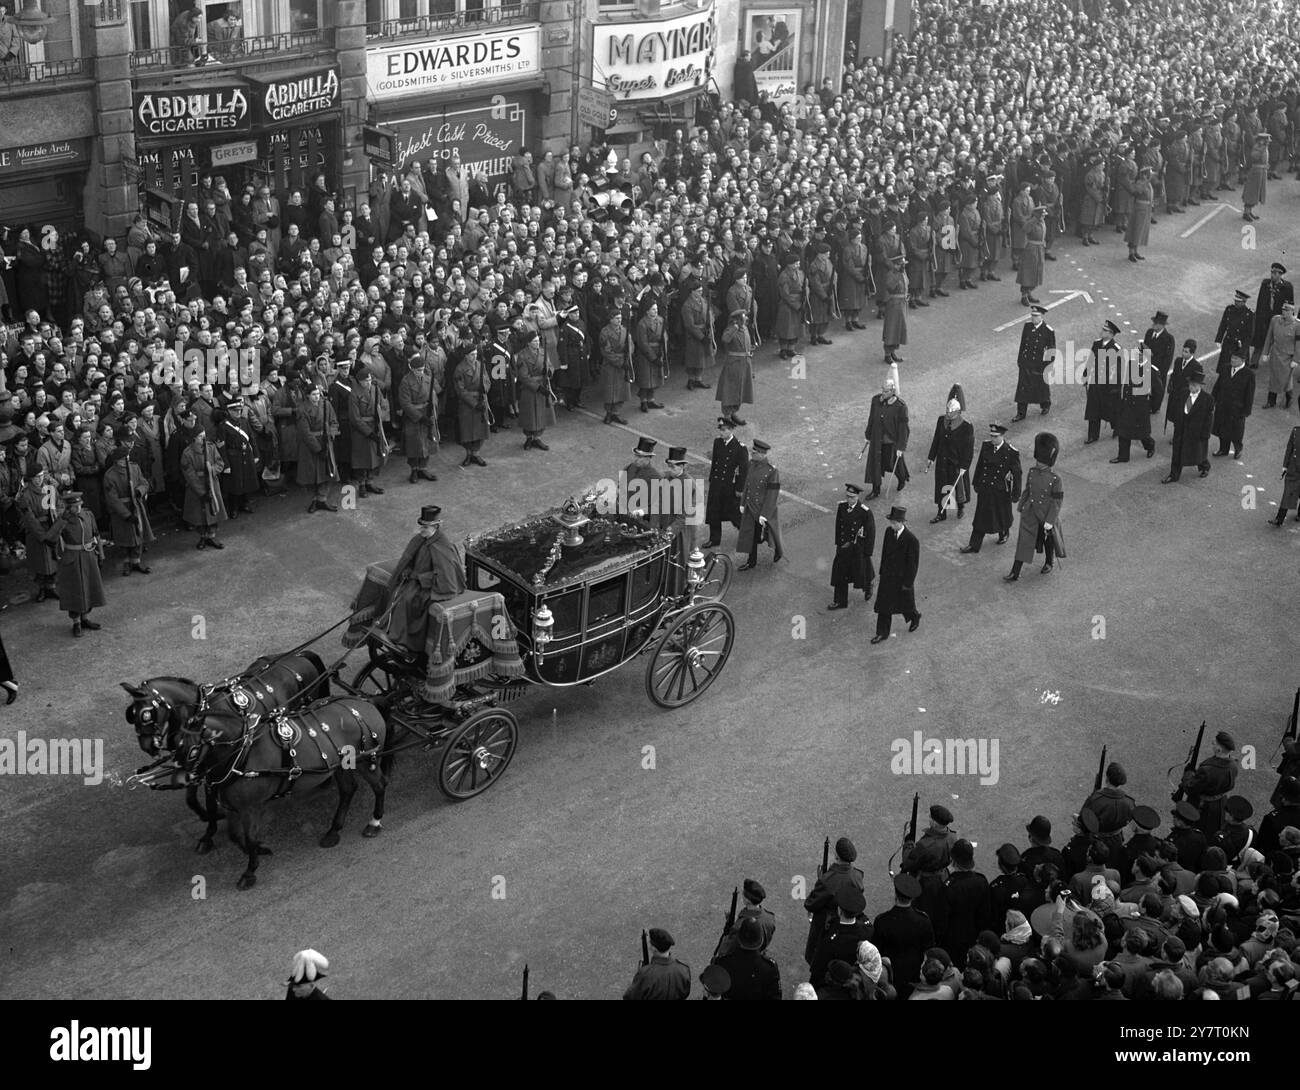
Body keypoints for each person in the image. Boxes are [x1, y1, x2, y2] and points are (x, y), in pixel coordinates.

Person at [377, 505, 466, 660]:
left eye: (425, 527)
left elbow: (447, 577)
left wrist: (421, 578)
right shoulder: (421, 539)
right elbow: (410, 559)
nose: (421, 530)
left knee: (408, 599)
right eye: (421, 526)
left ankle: (407, 642)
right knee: (396, 591)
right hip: (414, 580)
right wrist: (407, 570)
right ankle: (390, 627)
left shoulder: (443, 546)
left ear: (435, 527)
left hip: (433, 586)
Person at [1006, 432, 1063, 581]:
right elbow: (1028, 490)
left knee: (1047, 540)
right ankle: (1015, 571)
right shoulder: (1032, 472)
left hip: (1046, 514)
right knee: (1024, 541)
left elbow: (1057, 502)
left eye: (1041, 461)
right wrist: (1021, 505)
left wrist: (1050, 521)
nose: (1038, 463)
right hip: (1031, 512)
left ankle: (1049, 561)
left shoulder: (1056, 479)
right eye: (1038, 460)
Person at [802, 836, 865, 965]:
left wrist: (820, 880)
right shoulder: (857, 875)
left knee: (818, 958)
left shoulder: (828, 880)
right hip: (849, 922)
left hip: (828, 924)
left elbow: (811, 903)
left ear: (837, 856)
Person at [960, 422, 1021, 553]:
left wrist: (1016, 494)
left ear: (1002, 436)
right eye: (991, 436)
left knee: (1001, 516)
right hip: (985, 488)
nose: (992, 439)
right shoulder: (986, 446)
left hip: (1000, 491)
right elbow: (980, 465)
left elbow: (1017, 474)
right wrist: (976, 482)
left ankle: (1003, 532)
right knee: (980, 517)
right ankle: (974, 544)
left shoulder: (1010, 452)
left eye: (995, 436)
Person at [872, 873, 934, 1000]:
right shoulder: (923, 920)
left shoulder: (883, 920)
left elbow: (876, 950)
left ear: (896, 893)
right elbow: (929, 948)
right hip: (914, 971)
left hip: (890, 973)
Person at [54, 492, 105, 638]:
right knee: (75, 591)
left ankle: (85, 619)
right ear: (68, 508)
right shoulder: (63, 520)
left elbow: (97, 534)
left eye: (79, 505)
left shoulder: (88, 515)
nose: (78, 509)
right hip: (72, 559)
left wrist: (101, 555)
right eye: (74, 507)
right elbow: (51, 537)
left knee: (89, 588)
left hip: (88, 556)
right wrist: (62, 521)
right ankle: (76, 622)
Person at [102, 434, 153, 577]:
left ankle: (136, 561)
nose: (126, 460)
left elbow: (144, 483)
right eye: (123, 459)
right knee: (124, 538)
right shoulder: (110, 476)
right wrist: (126, 514)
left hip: (136, 505)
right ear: (117, 461)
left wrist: (139, 492)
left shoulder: (134, 468)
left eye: (127, 458)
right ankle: (126, 563)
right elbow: (112, 499)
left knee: (138, 534)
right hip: (122, 510)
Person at [871, 505, 921, 643]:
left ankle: (915, 617)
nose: (892, 525)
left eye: (895, 523)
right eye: (891, 522)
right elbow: (885, 555)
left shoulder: (911, 540)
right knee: (884, 606)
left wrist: (908, 583)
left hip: (902, 580)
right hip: (888, 577)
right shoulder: (888, 532)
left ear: (902, 522)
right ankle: (882, 633)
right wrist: (881, 572)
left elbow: (913, 565)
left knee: (905, 604)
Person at [1180, 731, 1239, 836]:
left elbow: (1190, 788)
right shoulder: (1233, 765)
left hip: (1202, 806)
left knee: (1193, 829)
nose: (1212, 743)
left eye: (1215, 743)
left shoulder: (1207, 770)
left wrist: (1188, 773)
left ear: (1219, 749)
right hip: (1219, 803)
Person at [926, 392, 973, 522]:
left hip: (957, 463)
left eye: (951, 412)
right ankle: (942, 513)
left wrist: (964, 466)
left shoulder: (966, 426)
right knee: (943, 487)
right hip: (943, 461)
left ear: (958, 412)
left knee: (958, 488)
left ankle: (960, 507)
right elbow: (936, 439)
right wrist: (931, 456)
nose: (948, 414)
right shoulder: (941, 420)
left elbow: (968, 449)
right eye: (947, 411)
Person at [827, 482, 874, 611]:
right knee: (840, 573)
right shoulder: (842, 507)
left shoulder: (865, 512)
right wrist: (838, 543)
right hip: (843, 547)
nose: (849, 499)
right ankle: (840, 601)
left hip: (857, 548)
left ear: (857, 497)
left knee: (861, 571)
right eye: (848, 496)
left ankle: (868, 586)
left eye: (852, 497)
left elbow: (870, 533)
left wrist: (868, 552)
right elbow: (839, 526)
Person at [737, 438, 782, 569]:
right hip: (751, 507)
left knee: (771, 533)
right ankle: (751, 562)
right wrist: (742, 502)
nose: (752, 454)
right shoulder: (752, 464)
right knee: (751, 535)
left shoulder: (772, 470)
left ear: (762, 454)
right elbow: (747, 484)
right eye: (752, 451)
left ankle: (778, 550)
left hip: (764, 508)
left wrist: (765, 514)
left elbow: (772, 495)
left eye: (755, 452)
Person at [1112, 350, 1164, 462]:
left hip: (1140, 407)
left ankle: (1150, 445)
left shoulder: (1152, 371)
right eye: (1138, 354)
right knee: (1123, 430)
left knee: (1142, 433)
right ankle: (1123, 456)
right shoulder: (1131, 364)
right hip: (1127, 403)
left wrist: (1152, 407)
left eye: (1141, 355)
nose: (1138, 357)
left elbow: (1158, 392)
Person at [702, 417, 747, 549]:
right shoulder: (718, 442)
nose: (721, 433)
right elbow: (715, 463)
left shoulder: (740, 448)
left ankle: (748, 535)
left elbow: (742, 471)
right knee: (713, 512)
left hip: (729, 486)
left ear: (731, 430)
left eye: (724, 430)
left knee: (734, 514)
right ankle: (714, 539)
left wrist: (739, 488)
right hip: (717, 484)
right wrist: (711, 479)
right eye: (720, 430)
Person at [181, 425, 228, 549]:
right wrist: (201, 492)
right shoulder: (187, 453)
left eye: (204, 436)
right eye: (200, 437)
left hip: (212, 484)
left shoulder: (211, 448)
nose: (203, 439)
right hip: (196, 488)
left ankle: (211, 536)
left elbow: (220, 463)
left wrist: (212, 470)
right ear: (194, 438)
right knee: (199, 515)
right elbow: (189, 475)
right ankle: (202, 537)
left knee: (213, 512)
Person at [862, 376, 909, 499]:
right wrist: (868, 435)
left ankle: (902, 478)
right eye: (882, 390)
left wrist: (901, 446)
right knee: (875, 465)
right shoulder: (876, 401)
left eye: (886, 391)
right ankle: (875, 490)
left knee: (892, 464)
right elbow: (871, 418)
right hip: (877, 439)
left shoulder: (900, 406)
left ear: (893, 391)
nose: (883, 393)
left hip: (891, 441)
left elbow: (903, 428)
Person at [712, 918, 780, 1000]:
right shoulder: (770, 968)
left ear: (739, 940)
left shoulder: (722, 963)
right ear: (760, 942)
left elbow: (712, 994)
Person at [296, 384, 340, 510]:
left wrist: (330, 436)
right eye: (313, 394)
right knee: (312, 473)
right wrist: (318, 448)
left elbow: (334, 422)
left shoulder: (326, 405)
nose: (317, 397)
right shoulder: (302, 409)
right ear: (308, 396)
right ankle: (314, 500)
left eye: (318, 394)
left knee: (326, 471)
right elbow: (305, 432)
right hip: (310, 445)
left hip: (326, 441)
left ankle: (322, 498)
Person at [398, 351, 439, 484]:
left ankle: (423, 468)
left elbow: (434, 394)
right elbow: (405, 403)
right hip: (414, 416)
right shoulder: (405, 381)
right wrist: (420, 417)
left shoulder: (428, 379)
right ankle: (414, 470)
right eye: (418, 370)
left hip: (427, 412)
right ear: (412, 368)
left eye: (422, 370)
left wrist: (433, 410)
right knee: (414, 444)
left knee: (427, 442)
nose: (421, 372)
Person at [715, 879, 777, 958]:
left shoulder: (739, 926)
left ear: (747, 900)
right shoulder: (770, 918)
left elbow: (724, 951)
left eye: (744, 894)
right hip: (759, 957)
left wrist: (728, 931)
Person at [623, 928, 690, 1000]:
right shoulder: (684, 969)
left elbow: (629, 997)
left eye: (650, 943)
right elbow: (685, 993)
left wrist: (639, 977)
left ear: (653, 948)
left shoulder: (645, 974)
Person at [1211, 350, 1255, 460]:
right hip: (1223, 405)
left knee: (1236, 432)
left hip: (1237, 409)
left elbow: (1249, 394)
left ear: (1243, 360)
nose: (1232, 360)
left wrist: (1246, 411)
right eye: (1232, 357)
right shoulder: (1225, 368)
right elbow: (1217, 386)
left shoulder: (1249, 374)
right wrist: (1212, 400)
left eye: (1235, 358)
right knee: (1222, 428)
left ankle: (1238, 449)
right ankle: (1223, 449)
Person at [1013, 304, 1055, 420]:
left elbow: (1051, 351)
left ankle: (1045, 404)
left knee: (1041, 386)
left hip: (1039, 365)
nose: (1033, 318)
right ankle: (1021, 413)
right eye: (1032, 315)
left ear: (1041, 316)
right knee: (1022, 388)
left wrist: (1045, 366)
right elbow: (1023, 344)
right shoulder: (1027, 326)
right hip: (1026, 363)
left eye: (1036, 316)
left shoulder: (1047, 330)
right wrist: (1020, 360)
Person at [1084, 320, 1122, 443]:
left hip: (1108, 386)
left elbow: (1118, 370)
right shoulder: (1096, 344)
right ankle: (1093, 435)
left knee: (1110, 410)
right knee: (1093, 409)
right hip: (1095, 383)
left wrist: (1115, 387)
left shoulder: (1116, 349)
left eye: (1105, 330)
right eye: (1103, 329)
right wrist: (1085, 375)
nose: (1102, 331)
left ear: (1111, 334)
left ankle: (1117, 427)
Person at [1251, 262, 1294, 370]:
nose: (1272, 275)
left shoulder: (1287, 287)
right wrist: (1258, 316)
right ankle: (1254, 362)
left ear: (1280, 274)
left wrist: (1287, 318)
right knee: (1260, 340)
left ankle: (1276, 362)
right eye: (1272, 272)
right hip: (1264, 318)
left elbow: (1289, 304)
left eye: (1275, 273)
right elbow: (1260, 301)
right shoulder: (1265, 284)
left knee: (1277, 341)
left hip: (1278, 318)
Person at [716, 308, 755, 427]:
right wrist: (734, 328)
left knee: (740, 391)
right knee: (730, 391)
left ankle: (733, 413)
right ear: (738, 319)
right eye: (744, 317)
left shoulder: (745, 329)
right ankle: (727, 416)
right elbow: (725, 339)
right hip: (734, 364)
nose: (747, 318)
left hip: (744, 363)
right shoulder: (732, 329)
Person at [1260, 300, 1298, 409]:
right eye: (1283, 309)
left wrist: (1296, 360)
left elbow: (1299, 345)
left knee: (1286, 380)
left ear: (1292, 311)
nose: (1283, 311)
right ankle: (1271, 401)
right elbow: (1269, 337)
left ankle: (1288, 398)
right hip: (1276, 354)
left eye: (1286, 310)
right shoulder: (1275, 320)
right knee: (1273, 378)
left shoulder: (1297, 325)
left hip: (1288, 358)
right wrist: (1265, 353)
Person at [631, 300, 666, 414]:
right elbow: (643, 343)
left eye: (656, 309)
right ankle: (643, 401)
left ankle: (651, 399)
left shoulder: (660, 320)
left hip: (658, 351)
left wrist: (663, 348)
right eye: (653, 309)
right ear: (647, 311)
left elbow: (664, 335)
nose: (655, 311)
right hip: (646, 355)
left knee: (655, 377)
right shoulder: (642, 324)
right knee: (646, 379)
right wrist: (653, 357)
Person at [599, 308, 631, 425]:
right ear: (611, 319)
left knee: (621, 390)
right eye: (617, 318)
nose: (619, 320)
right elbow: (606, 351)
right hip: (610, 365)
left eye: (620, 318)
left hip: (623, 363)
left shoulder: (624, 330)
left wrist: (627, 359)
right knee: (610, 390)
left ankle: (616, 413)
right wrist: (619, 362)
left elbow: (630, 346)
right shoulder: (605, 332)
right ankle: (608, 413)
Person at [1215, 290, 1254, 375]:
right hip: (1228, 342)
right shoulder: (1229, 309)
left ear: (1244, 302)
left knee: (1238, 371)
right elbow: (1223, 324)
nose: (1236, 303)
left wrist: (1243, 350)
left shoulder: (1249, 314)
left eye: (1238, 301)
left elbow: (1249, 335)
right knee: (1224, 367)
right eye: (1235, 300)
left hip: (1239, 345)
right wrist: (1219, 339)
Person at [1271, 422, 1300, 526]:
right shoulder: (1296, 430)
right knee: (1288, 492)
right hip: (1293, 468)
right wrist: (1285, 465)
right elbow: (1289, 449)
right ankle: (1279, 519)